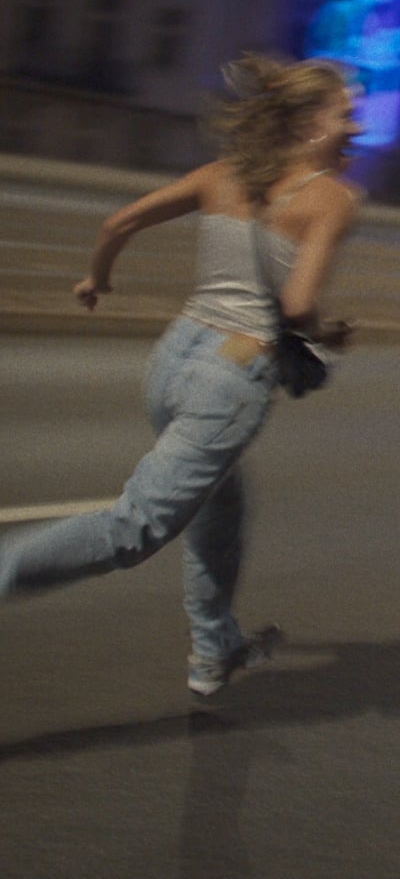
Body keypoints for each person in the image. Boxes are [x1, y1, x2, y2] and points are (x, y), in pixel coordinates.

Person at [0, 53, 361, 697]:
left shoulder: (220, 176)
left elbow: (120, 221)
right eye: (346, 116)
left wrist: (98, 278)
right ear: (309, 124)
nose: (356, 128)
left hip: (171, 362)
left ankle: (214, 645)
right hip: (230, 380)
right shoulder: (333, 198)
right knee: (133, 528)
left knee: (221, 506)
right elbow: (299, 306)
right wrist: (329, 334)